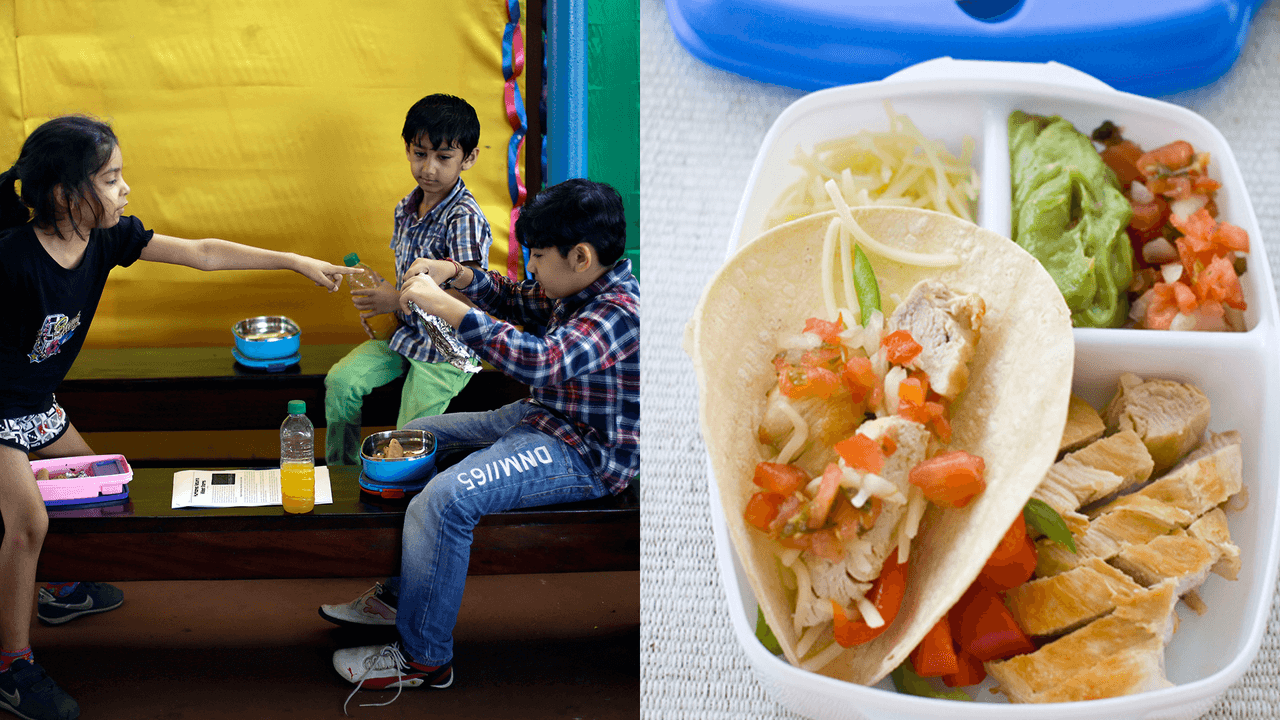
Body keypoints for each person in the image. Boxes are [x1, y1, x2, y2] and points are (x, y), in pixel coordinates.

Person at [0, 114, 359, 720]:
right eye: (111, 178)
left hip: (36, 406)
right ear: (66, 194)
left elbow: (203, 254)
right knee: (29, 519)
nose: (126, 189)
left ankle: (56, 589)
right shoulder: (11, 259)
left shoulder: (106, 240)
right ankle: (12, 665)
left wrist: (293, 260)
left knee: (97, 486)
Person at [319, 178, 639, 709]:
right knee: (412, 441)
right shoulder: (580, 284)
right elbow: (516, 295)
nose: (531, 266)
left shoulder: (619, 311)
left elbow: (541, 361)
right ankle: (400, 598)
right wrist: (458, 275)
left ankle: (423, 658)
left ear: (580, 256)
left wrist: (446, 306)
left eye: (537, 255)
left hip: (587, 453)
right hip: (547, 418)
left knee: (445, 501)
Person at [323, 93, 493, 467]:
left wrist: (395, 298)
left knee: (406, 439)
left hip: (449, 351)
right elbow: (406, 279)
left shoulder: (463, 218)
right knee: (340, 383)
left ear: (469, 158)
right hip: (406, 334)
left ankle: (399, 493)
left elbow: (468, 301)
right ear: (408, 149)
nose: (429, 168)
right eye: (420, 154)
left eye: (443, 157)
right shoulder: (406, 207)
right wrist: (378, 289)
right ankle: (342, 473)